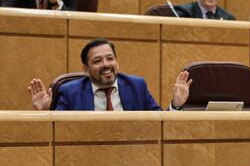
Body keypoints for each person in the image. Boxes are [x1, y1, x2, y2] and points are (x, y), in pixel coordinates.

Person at [28, 38, 192, 111]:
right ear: (86, 69)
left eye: (110, 58)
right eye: (97, 61)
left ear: (117, 62)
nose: (106, 64)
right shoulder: (70, 91)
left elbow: (160, 124)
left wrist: (176, 105)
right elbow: (58, 130)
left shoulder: (136, 86)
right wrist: (45, 113)